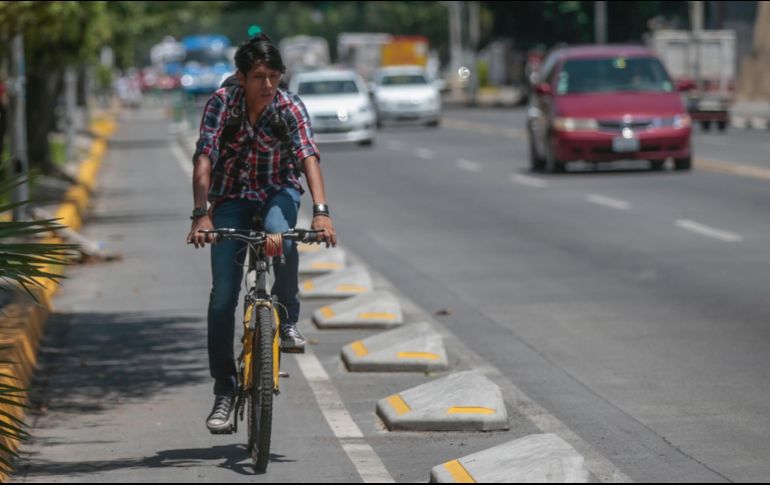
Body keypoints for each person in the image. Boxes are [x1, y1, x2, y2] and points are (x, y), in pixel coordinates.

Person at [186, 34, 337, 433]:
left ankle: (286, 321)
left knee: (281, 239)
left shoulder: (289, 106)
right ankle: (224, 389)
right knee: (223, 295)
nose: (267, 85)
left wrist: (321, 213)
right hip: (230, 197)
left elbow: (307, 155)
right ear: (241, 77)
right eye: (258, 76)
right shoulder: (222, 103)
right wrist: (201, 215)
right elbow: (205, 155)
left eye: (273, 76)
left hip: (276, 192)